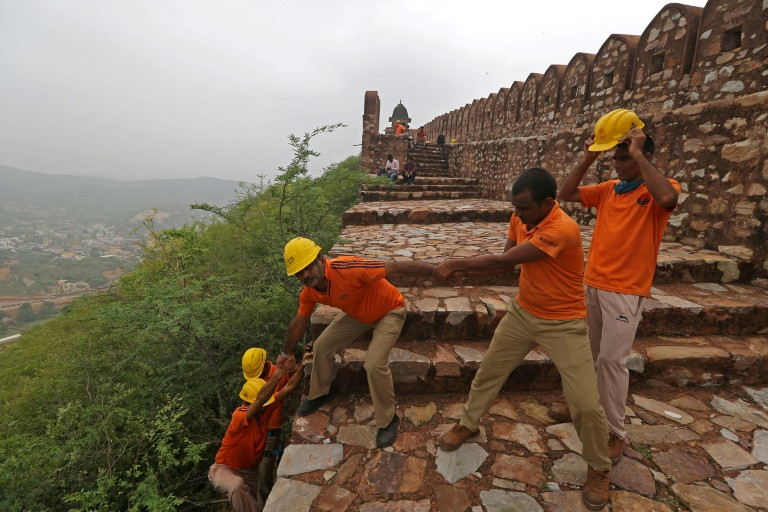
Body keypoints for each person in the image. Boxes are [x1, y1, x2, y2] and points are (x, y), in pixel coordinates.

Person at [434, 168, 612, 511]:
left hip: (564, 322)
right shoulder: (522, 218)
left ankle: (599, 467)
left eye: (525, 209)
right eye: (515, 208)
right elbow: (504, 265)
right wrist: (464, 270)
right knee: (488, 372)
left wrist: (458, 262)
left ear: (548, 202)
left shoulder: (563, 229)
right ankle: (468, 424)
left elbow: (506, 259)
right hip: (523, 313)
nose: (518, 215)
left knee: (586, 404)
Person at [552, 109, 680, 466]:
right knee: (587, 355)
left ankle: (614, 431)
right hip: (593, 282)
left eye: (623, 158)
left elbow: (668, 200)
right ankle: (581, 407)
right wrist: (589, 156)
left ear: (645, 156)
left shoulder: (658, 189)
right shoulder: (610, 190)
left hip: (626, 290)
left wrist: (637, 154)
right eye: (616, 159)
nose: (617, 165)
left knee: (611, 361)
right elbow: (566, 192)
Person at [278, 237, 435, 448]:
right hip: (358, 315)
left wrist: (437, 269)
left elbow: (394, 268)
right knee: (322, 345)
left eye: (308, 267)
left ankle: (388, 421)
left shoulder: (348, 268)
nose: (305, 275)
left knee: (374, 363)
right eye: (299, 272)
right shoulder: (310, 292)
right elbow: (299, 323)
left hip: (390, 310)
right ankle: (318, 394)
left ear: (321, 260)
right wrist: (286, 353)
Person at [208, 352, 309, 512]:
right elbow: (261, 399)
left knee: (252, 502)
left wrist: (303, 365)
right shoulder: (239, 416)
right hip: (224, 469)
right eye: (261, 404)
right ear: (249, 402)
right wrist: (278, 374)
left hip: (250, 472)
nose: (264, 407)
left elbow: (289, 387)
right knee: (236, 486)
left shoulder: (266, 409)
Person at [241, 348, 293, 506]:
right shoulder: (252, 379)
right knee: (252, 477)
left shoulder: (278, 373)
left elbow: (292, 382)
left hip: (269, 433)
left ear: (264, 364)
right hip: (253, 432)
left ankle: (267, 505)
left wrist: (301, 364)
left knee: (263, 479)